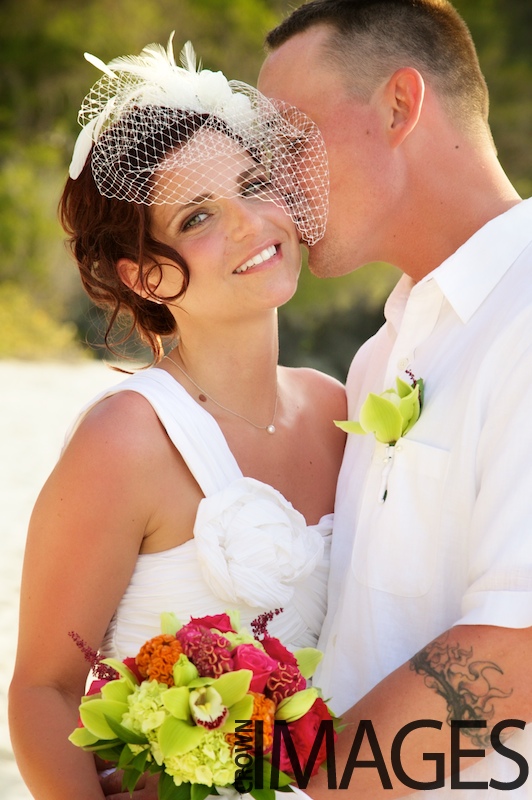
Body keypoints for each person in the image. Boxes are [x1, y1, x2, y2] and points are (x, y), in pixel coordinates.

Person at [8, 35, 346, 800]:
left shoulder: (337, 408)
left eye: (255, 184)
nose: (253, 222)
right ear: (147, 273)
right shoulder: (126, 440)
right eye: (198, 216)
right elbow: (42, 690)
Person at [258, 0, 532, 797]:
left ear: (399, 105)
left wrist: (294, 793)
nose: (276, 184)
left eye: (291, 140)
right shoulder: (382, 355)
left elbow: (514, 654)